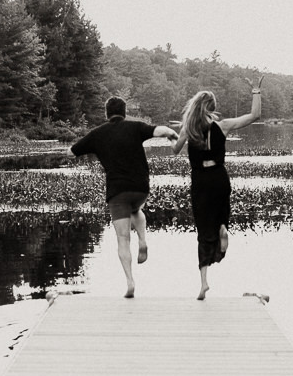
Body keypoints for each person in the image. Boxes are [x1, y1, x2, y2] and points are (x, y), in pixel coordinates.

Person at [70, 96, 178, 297]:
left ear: (106, 113)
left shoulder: (97, 134)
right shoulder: (136, 127)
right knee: (137, 209)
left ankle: (129, 281)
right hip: (140, 187)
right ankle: (143, 239)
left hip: (117, 191)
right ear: (125, 111)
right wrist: (173, 134)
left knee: (122, 238)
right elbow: (162, 131)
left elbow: (73, 150)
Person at [171, 77, 264, 300]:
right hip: (219, 179)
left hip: (201, 181)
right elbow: (254, 116)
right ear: (213, 108)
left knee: (203, 230)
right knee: (221, 217)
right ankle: (223, 230)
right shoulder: (223, 126)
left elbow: (175, 150)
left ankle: (203, 283)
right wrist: (255, 91)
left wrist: (170, 135)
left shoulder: (188, 129)